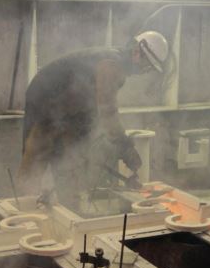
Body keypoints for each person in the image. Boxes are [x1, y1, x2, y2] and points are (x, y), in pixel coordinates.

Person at [18, 31, 169, 206]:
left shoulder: (114, 63)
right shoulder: (111, 65)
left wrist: (91, 137)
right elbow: (107, 110)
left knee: (70, 160)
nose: (144, 71)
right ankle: (24, 209)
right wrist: (125, 147)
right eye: (147, 65)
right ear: (137, 51)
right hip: (46, 98)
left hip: (68, 108)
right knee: (37, 155)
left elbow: (92, 104)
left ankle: (69, 210)